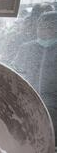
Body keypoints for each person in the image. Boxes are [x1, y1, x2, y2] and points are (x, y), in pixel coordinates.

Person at [13, 11, 57, 145]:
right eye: (40, 27)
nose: (42, 31)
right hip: (28, 100)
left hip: (53, 104)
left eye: (48, 27)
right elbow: (16, 71)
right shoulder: (27, 48)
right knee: (28, 138)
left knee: (50, 138)